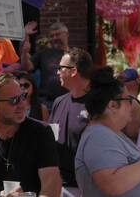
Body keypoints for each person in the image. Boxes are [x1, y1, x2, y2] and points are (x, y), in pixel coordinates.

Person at [75, 66, 140, 196]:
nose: (131, 105)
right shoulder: (98, 136)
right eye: (129, 100)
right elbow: (112, 184)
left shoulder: (107, 133)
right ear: (113, 105)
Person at [0, 73, 61, 197]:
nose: (22, 104)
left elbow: (51, 187)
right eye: (14, 100)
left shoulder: (41, 132)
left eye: (22, 97)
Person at [48, 47, 93, 195]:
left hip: (88, 187)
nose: (57, 72)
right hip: (60, 186)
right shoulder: (58, 102)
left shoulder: (98, 104)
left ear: (73, 71)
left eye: (61, 68)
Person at [20, 21, 70, 109]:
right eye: (52, 36)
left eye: (58, 34)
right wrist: (24, 52)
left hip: (68, 101)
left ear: (66, 34)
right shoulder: (44, 53)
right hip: (47, 102)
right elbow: (27, 67)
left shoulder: (75, 54)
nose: (55, 38)